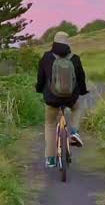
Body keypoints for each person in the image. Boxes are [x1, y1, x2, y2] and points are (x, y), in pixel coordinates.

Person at [35, 31, 89, 168]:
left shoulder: (46, 57)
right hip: (70, 98)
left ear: (54, 42)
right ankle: (74, 132)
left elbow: (40, 78)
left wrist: (39, 89)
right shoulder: (75, 58)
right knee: (78, 108)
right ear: (68, 43)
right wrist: (82, 91)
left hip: (52, 99)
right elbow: (81, 79)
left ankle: (50, 158)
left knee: (50, 124)